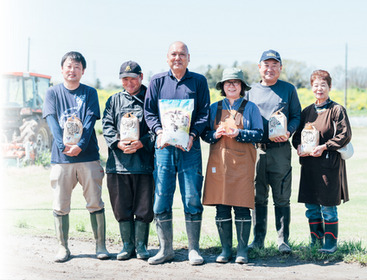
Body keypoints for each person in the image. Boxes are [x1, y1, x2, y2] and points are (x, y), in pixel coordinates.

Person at [144, 41, 210, 265]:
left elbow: (203, 113)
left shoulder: (198, 81)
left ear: (189, 58)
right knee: (161, 197)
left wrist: (193, 135)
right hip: (164, 148)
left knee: (191, 197)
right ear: (167, 57)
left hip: (189, 148)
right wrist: (159, 131)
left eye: (182, 54)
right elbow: (149, 112)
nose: (177, 58)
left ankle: (193, 250)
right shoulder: (157, 81)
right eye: (173, 54)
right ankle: (166, 249)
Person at [43, 51, 109, 262]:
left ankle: (101, 246)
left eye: (77, 67)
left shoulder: (89, 93)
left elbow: (90, 121)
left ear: (83, 71)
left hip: (88, 157)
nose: (72, 71)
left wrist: (80, 145)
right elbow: (52, 120)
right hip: (62, 159)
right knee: (60, 204)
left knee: (95, 202)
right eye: (69, 66)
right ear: (62, 69)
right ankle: (63, 248)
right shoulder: (52, 93)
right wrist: (63, 145)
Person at [201, 68, 263, 264]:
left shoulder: (251, 107)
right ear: (222, 87)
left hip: (243, 163)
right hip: (219, 163)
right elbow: (205, 135)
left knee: (242, 206)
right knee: (221, 206)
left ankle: (242, 250)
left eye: (236, 82)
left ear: (242, 86)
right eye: (228, 83)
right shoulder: (214, 108)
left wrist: (240, 134)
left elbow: (259, 134)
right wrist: (215, 134)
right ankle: (225, 250)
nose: (232, 85)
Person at [245, 50, 301, 253]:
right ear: (259, 67)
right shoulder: (250, 91)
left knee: (282, 196)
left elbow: (296, 116)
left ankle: (282, 240)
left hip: (280, 151)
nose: (270, 68)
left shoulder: (288, 89)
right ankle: (258, 239)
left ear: (280, 68)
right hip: (257, 151)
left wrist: (289, 131)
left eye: (274, 65)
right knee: (257, 196)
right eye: (266, 65)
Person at [292, 70, 351, 253]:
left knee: (328, 207)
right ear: (312, 87)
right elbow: (296, 138)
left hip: (329, 166)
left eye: (323, 85)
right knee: (311, 207)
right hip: (309, 167)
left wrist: (324, 147)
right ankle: (315, 241)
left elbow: (345, 135)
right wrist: (299, 147)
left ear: (330, 87)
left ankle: (330, 243)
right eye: (316, 85)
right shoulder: (307, 111)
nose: (319, 89)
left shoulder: (337, 110)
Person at [102, 61, 155, 260]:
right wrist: (117, 143)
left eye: (133, 78)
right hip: (118, 164)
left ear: (141, 77)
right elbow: (107, 125)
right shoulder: (114, 100)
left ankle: (141, 246)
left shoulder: (151, 98)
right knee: (121, 206)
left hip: (144, 164)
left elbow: (157, 128)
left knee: (144, 207)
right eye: (125, 79)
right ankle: (127, 245)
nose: (129, 82)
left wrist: (143, 142)